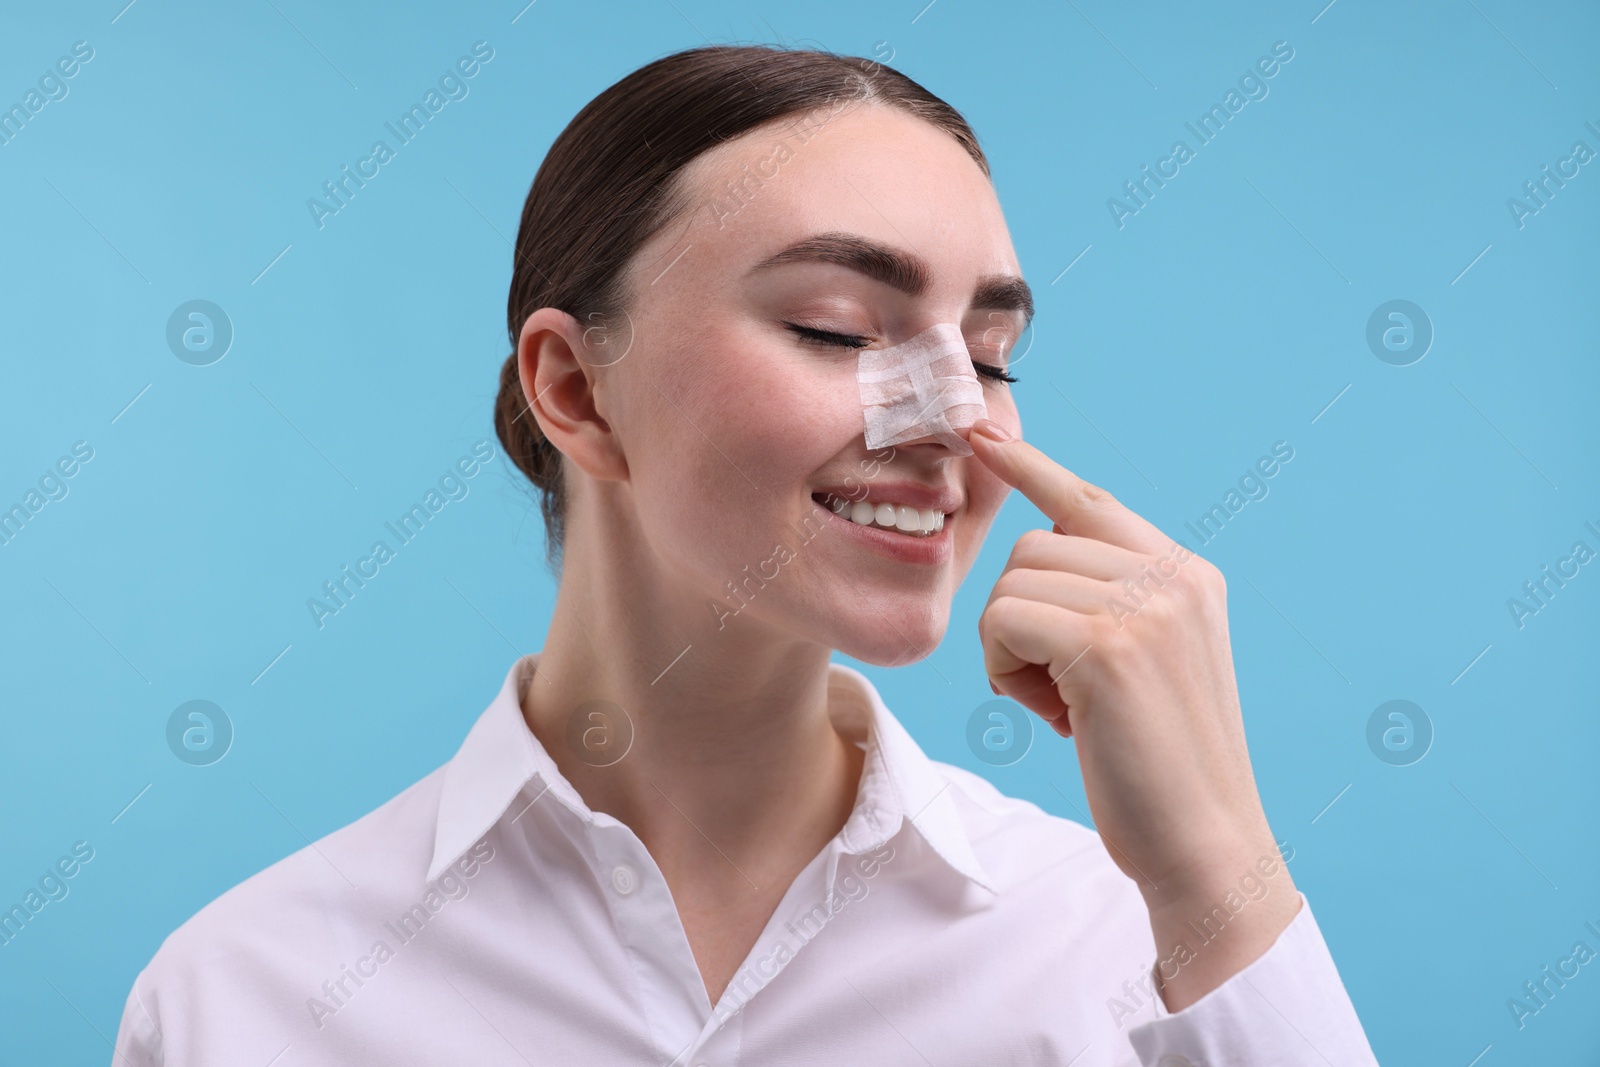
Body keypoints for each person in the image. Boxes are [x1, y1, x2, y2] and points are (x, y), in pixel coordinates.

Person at [114, 44, 1380, 1065]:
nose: (953, 414)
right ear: (578, 390)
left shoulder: (1135, 955)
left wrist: (1222, 865)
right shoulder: (245, 998)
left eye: (990, 354)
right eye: (837, 329)